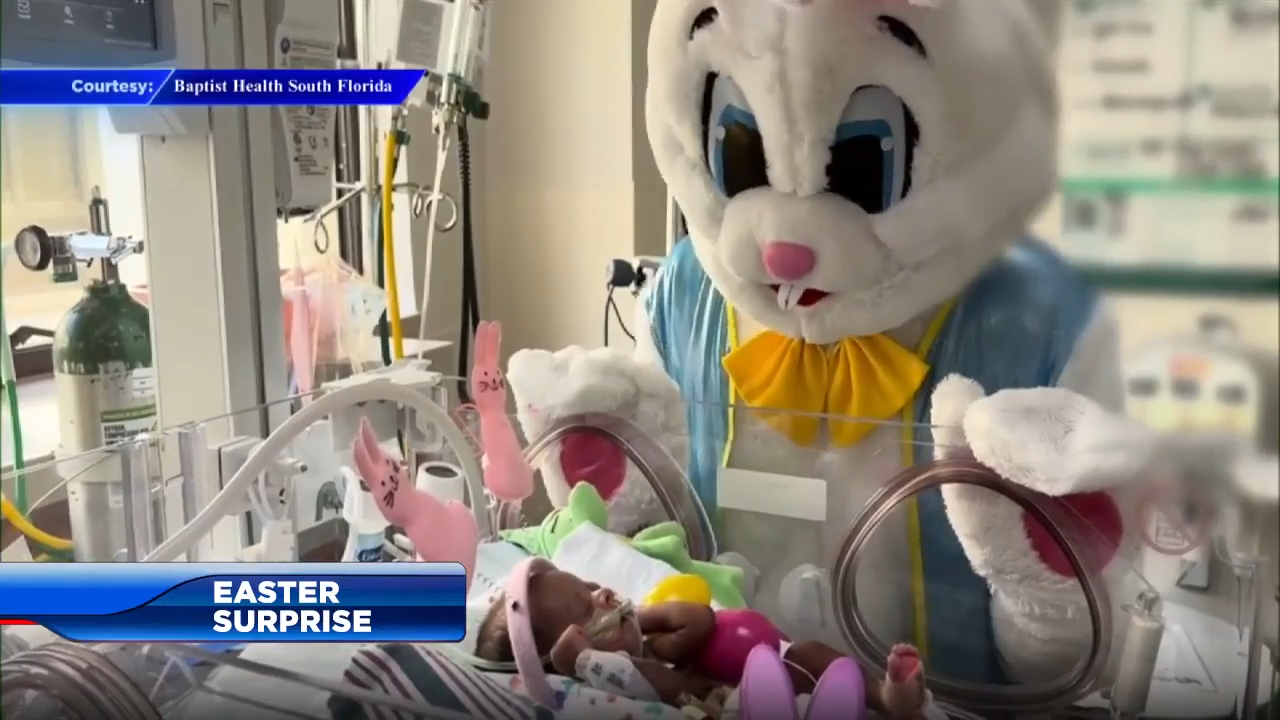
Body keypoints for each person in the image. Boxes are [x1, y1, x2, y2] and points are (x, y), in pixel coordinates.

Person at [474, 561, 926, 718]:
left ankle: (885, 697)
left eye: (590, 585)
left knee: (809, 654)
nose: (601, 595)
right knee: (795, 667)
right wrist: (590, 659)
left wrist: (636, 617)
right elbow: (668, 679)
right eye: (585, 608)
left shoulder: (654, 638)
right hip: (748, 698)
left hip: (779, 668)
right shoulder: (633, 670)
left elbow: (699, 619)